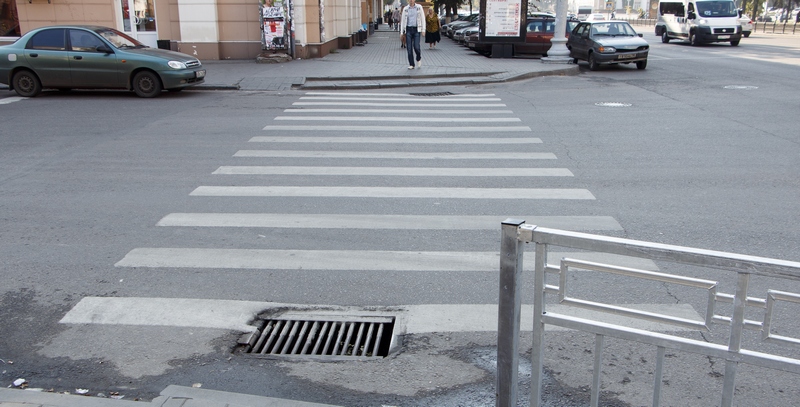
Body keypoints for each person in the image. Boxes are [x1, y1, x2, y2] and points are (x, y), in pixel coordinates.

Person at [401, 0, 425, 69]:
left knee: (416, 46)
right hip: (408, 29)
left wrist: (423, 30)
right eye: (410, 0)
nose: (411, 1)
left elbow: (423, 18)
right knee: (409, 48)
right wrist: (401, 32)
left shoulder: (419, 7)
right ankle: (412, 64)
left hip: (416, 29)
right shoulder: (405, 9)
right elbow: (403, 21)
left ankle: (418, 58)